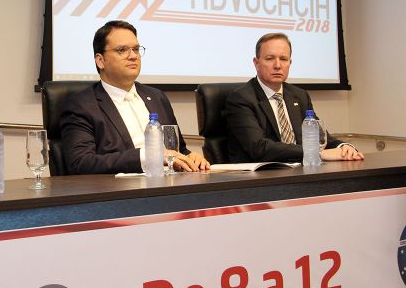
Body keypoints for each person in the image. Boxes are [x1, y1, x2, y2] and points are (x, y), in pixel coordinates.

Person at [60, 20, 209, 174]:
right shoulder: (81, 106)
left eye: (136, 49)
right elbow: (81, 163)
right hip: (121, 187)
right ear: (100, 61)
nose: (133, 56)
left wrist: (191, 158)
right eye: (122, 50)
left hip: (170, 183)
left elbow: (178, 150)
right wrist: (148, 156)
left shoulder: (157, 97)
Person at [225, 32, 364, 163]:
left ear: (290, 63)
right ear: (256, 63)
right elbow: (259, 147)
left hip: (299, 169)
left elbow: (319, 137)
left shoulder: (299, 95)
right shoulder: (241, 99)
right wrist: (317, 153)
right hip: (261, 174)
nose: (277, 65)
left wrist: (343, 147)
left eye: (283, 59)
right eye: (270, 58)